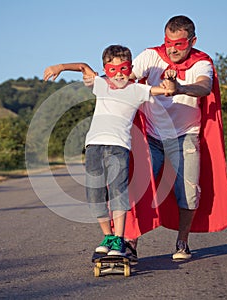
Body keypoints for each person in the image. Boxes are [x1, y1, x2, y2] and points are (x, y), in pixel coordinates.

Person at [119, 15, 227, 260]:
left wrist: (180, 88)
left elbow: (204, 86)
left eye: (179, 44)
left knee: (189, 191)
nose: (172, 48)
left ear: (192, 41)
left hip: (185, 137)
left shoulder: (201, 63)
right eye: (168, 42)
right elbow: (127, 77)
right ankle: (130, 244)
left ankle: (182, 242)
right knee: (138, 187)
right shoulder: (151, 56)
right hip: (151, 135)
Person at [43, 45, 177, 256]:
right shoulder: (101, 84)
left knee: (118, 192)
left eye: (123, 69)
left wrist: (170, 77)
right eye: (112, 70)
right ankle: (109, 236)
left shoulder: (137, 89)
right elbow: (83, 66)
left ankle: (120, 240)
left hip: (119, 147)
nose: (118, 75)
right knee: (95, 193)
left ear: (130, 68)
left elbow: (168, 90)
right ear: (106, 69)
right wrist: (59, 67)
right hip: (94, 146)